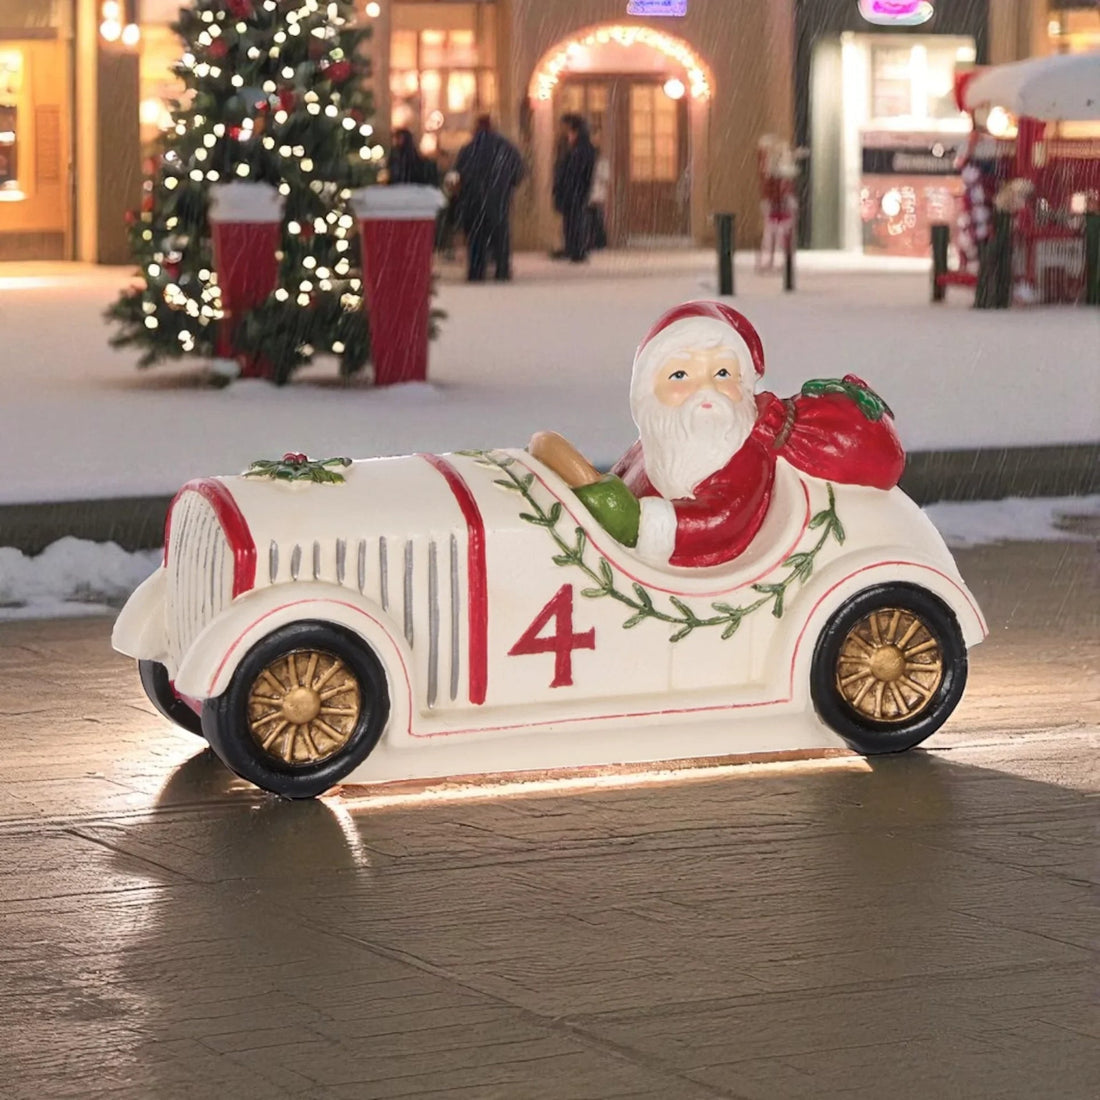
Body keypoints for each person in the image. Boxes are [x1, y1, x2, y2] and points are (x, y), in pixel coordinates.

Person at [529, 301, 905, 569]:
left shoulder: (742, 452)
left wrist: (637, 522)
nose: (703, 390)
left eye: (722, 374)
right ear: (647, 393)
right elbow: (619, 482)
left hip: (697, 574)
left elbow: (724, 518)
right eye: (680, 376)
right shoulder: (658, 443)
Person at [453, 115, 525, 282]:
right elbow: (519, 170)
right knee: (500, 236)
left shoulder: (469, 149)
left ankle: (476, 271)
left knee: (476, 237)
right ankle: (502, 269)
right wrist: (507, 186)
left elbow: (458, 174)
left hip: (473, 199)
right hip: (498, 199)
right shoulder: (505, 148)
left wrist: (464, 190)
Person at [553, 115, 597, 263]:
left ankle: (577, 249)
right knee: (572, 220)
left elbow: (575, 172)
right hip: (574, 190)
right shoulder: (579, 149)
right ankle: (573, 248)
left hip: (574, 190)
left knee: (575, 221)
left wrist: (565, 186)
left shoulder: (580, 150)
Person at [587, 136, 610, 251]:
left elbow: (605, 177)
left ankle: (600, 242)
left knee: (597, 220)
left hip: (597, 195)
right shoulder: (588, 162)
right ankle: (592, 241)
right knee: (591, 220)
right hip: (591, 195)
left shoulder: (602, 163)